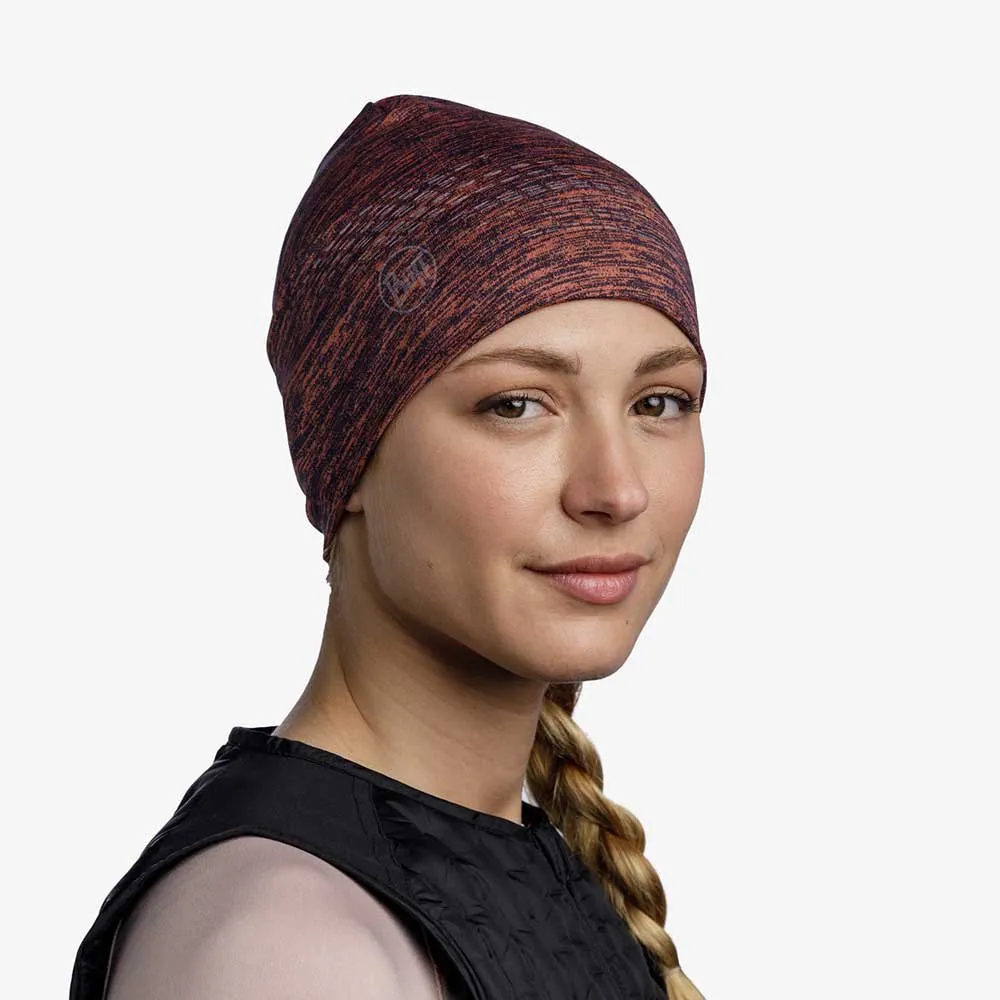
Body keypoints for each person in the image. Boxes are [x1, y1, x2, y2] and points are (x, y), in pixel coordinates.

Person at [70, 93, 709, 1000]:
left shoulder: (522, 873)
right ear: (351, 451)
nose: (616, 490)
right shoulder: (288, 948)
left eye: (660, 403)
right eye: (516, 405)